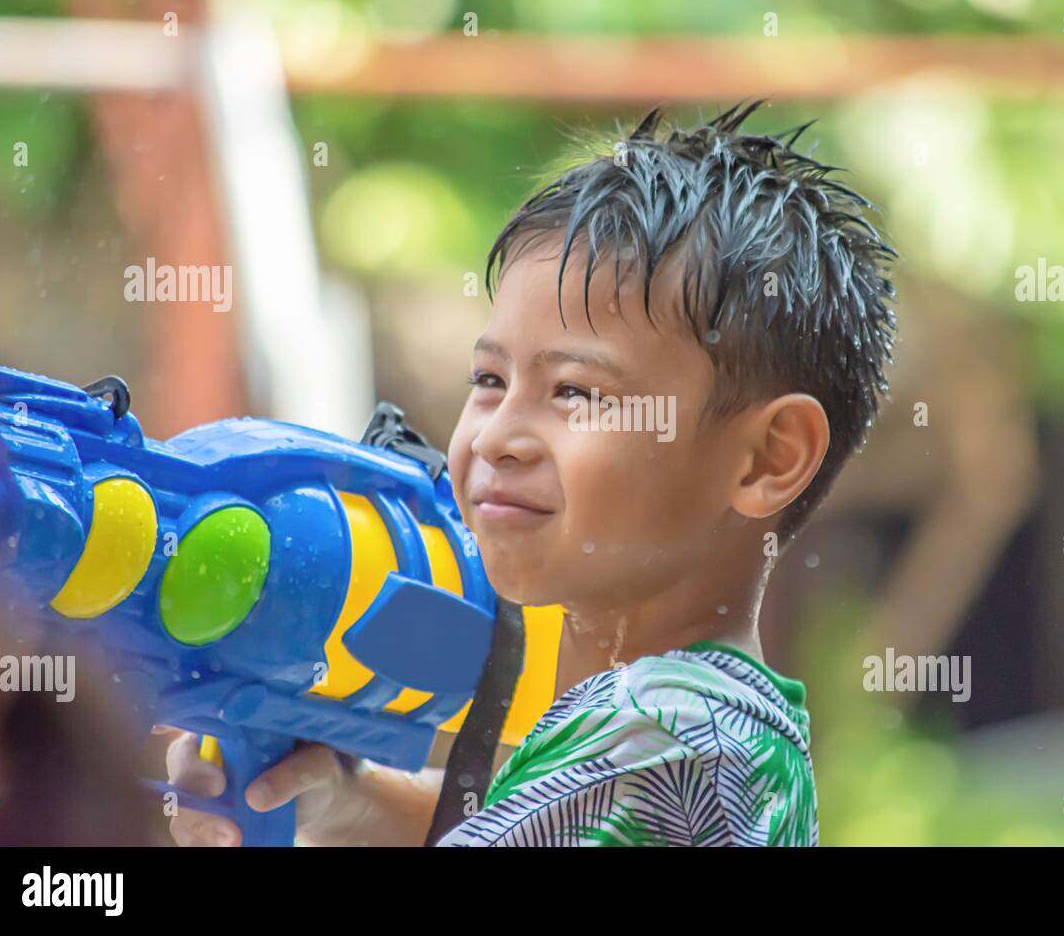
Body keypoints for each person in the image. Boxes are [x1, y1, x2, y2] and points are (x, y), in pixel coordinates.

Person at [167, 101, 897, 847]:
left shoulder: (669, 740)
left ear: (768, 457)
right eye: (488, 379)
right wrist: (350, 806)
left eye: (576, 391)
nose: (501, 436)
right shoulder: (720, 730)